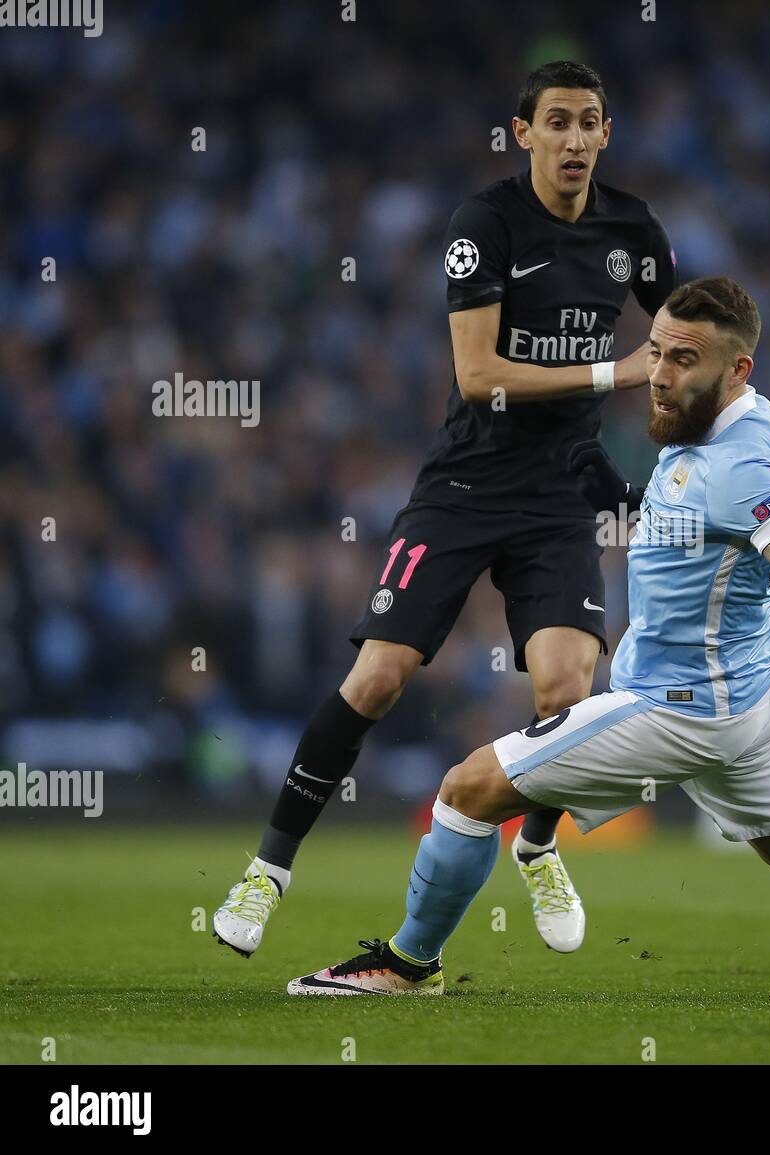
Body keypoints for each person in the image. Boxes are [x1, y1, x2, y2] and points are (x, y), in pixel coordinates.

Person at [286, 278, 770, 1003]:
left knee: (464, 792)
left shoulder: (743, 458)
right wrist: (627, 497)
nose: (658, 373)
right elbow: (712, 531)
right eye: (656, 350)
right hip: (752, 687)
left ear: (739, 369)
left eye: (683, 359)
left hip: (683, 705)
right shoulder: (723, 420)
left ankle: (407, 962)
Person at [212, 61, 676, 959]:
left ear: (606, 135)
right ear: (523, 133)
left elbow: (682, 332)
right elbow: (479, 375)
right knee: (379, 676)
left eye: (590, 123)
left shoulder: (634, 228)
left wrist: (722, 379)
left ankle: (537, 844)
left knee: (566, 690)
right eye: (558, 122)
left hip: (559, 495)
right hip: (463, 486)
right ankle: (267, 871)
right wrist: (616, 371)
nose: (575, 138)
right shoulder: (485, 224)